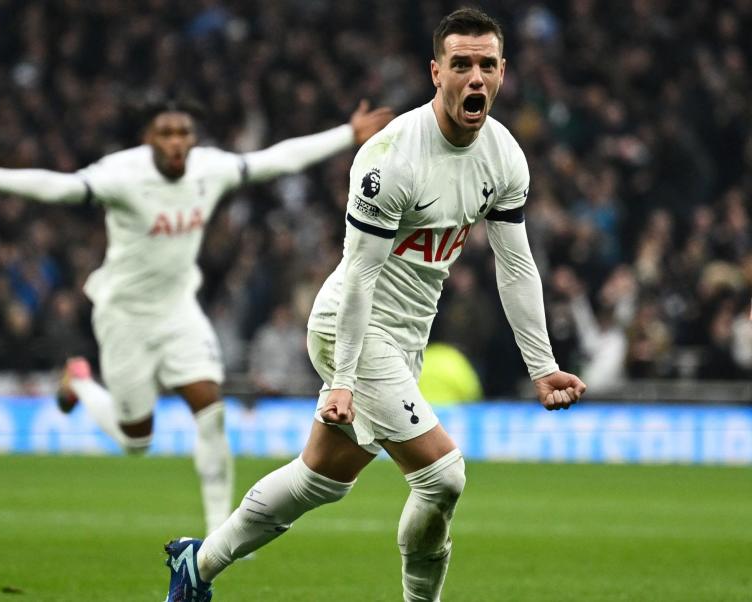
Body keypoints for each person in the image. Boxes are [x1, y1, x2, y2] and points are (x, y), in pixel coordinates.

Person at [163, 9, 587, 602]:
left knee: (319, 481)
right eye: (460, 64)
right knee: (443, 476)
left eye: (486, 65)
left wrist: (542, 367)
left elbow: (514, 265)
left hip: (404, 339)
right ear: (435, 72)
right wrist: (342, 379)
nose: (475, 77)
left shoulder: (504, 156)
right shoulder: (391, 160)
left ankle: (197, 566)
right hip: (350, 330)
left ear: (502, 72)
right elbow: (360, 274)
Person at [0, 99, 393, 535]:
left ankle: (222, 529)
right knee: (135, 439)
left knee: (210, 409)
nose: (177, 142)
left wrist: (346, 134)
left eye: (184, 133)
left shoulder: (208, 169)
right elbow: (62, 187)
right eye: (166, 133)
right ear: (148, 139)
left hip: (178, 310)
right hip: (124, 315)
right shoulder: (122, 174)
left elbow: (274, 160)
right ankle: (77, 379)